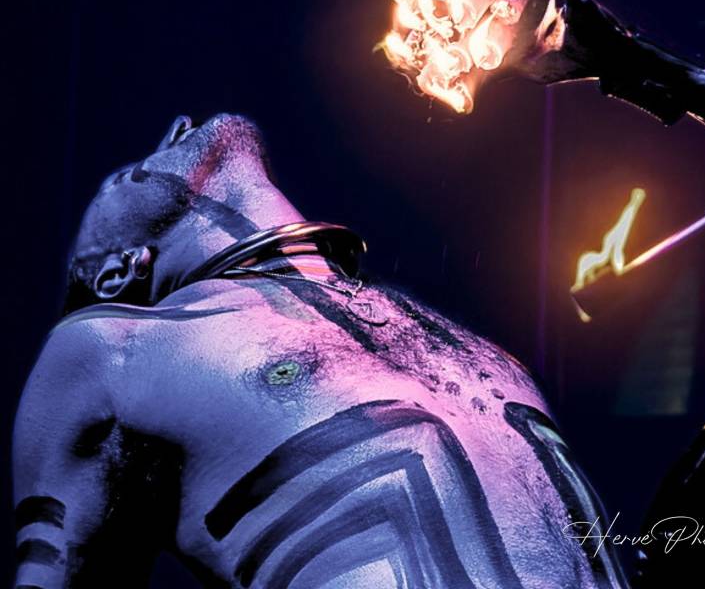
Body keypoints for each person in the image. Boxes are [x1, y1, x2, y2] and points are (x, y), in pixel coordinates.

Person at [13, 112, 626, 589]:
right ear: (117, 270)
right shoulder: (115, 350)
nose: (177, 127)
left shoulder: (460, 339)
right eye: (123, 175)